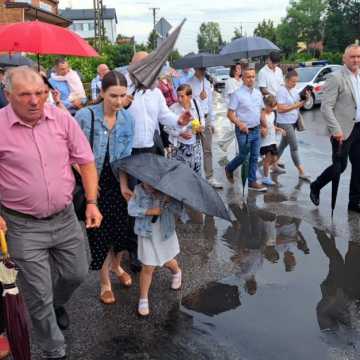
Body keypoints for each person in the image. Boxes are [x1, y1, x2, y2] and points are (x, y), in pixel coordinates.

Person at [0, 66, 102, 359]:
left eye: (40, 93)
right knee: (37, 294)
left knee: (77, 273)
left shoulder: (61, 118)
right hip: (22, 226)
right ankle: (54, 349)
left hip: (65, 217)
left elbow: (85, 160)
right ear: (8, 95)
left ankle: (58, 302)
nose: (35, 101)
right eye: (25, 95)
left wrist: (92, 202)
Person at [75, 71, 136, 305]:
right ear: (101, 93)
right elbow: (71, 154)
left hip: (115, 181)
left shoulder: (127, 119)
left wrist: (123, 185)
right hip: (94, 185)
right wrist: (90, 181)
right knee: (99, 234)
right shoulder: (84, 116)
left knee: (120, 232)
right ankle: (104, 282)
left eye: (122, 95)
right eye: (113, 96)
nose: (118, 101)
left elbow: (125, 158)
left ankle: (117, 266)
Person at [310, 44, 360, 212]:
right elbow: (326, 107)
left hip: (358, 127)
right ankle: (316, 186)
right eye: (352, 56)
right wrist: (335, 129)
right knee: (341, 167)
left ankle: (354, 202)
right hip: (342, 130)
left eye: (358, 56)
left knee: (359, 165)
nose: (356, 60)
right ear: (344, 59)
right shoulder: (336, 77)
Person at [128, 182, 188, 316]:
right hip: (146, 233)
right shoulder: (138, 190)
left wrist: (170, 200)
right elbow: (131, 209)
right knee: (148, 266)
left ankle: (177, 271)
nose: (149, 184)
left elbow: (180, 212)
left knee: (166, 261)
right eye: (145, 180)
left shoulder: (168, 190)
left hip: (164, 233)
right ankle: (143, 298)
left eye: (153, 182)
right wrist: (149, 211)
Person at [224, 66, 267, 192]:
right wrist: (239, 123)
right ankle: (229, 168)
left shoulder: (258, 93)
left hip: (256, 129)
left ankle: (252, 181)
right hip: (244, 131)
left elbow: (260, 111)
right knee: (244, 156)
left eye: (253, 76)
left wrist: (264, 125)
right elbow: (230, 114)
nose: (251, 79)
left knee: (254, 157)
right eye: (248, 77)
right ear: (242, 78)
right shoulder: (237, 94)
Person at [189, 67, 223, 189]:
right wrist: (199, 97)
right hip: (195, 119)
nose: (203, 71)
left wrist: (212, 121)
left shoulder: (207, 83)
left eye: (204, 69)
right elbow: (188, 103)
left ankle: (210, 176)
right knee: (194, 149)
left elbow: (210, 104)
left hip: (207, 117)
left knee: (208, 149)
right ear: (195, 69)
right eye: (200, 69)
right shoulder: (189, 83)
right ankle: (194, 178)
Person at [276, 69, 311, 181]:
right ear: (286, 80)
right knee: (294, 147)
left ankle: (272, 163)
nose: (294, 84)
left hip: (293, 121)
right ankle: (301, 172)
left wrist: (306, 99)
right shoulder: (281, 91)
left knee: (283, 145)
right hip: (284, 122)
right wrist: (295, 106)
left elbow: (298, 103)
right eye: (292, 81)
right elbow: (280, 109)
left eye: (296, 82)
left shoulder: (294, 89)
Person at [168, 84, 205, 174]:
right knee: (180, 174)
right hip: (179, 146)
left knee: (196, 173)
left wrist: (202, 126)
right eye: (178, 96)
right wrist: (180, 133)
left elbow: (202, 117)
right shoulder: (173, 108)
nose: (179, 99)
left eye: (182, 96)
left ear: (189, 96)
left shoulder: (196, 104)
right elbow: (166, 127)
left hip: (195, 145)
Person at [260, 95, 286, 185]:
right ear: (266, 105)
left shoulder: (272, 114)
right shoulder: (262, 115)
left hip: (272, 140)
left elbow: (271, 126)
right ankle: (266, 178)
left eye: (273, 107)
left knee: (274, 158)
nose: (272, 108)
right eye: (270, 106)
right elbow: (261, 127)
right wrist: (262, 130)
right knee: (267, 159)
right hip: (265, 142)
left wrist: (279, 129)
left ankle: (263, 165)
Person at [218, 63, 243, 152]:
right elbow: (233, 94)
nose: (240, 70)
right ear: (234, 70)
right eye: (238, 68)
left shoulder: (241, 81)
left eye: (241, 68)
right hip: (232, 109)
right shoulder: (230, 81)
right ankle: (237, 151)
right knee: (236, 129)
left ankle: (222, 143)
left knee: (238, 129)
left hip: (241, 109)